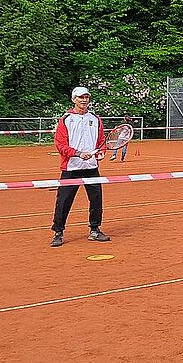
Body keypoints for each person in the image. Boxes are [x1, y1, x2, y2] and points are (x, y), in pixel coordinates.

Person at [50, 87, 111, 247]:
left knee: (96, 200)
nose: (84, 100)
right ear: (73, 99)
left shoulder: (95, 119)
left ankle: (95, 230)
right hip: (71, 168)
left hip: (91, 167)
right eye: (80, 97)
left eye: (86, 97)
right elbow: (60, 145)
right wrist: (77, 153)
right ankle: (58, 232)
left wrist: (101, 152)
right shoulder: (66, 119)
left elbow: (101, 141)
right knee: (63, 201)